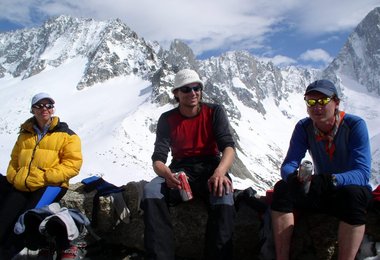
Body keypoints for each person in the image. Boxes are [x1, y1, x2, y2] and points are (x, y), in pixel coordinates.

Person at [271, 80, 372, 260]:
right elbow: (289, 164)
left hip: (344, 189)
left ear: (336, 103)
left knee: (354, 195)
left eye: (323, 101)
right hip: (320, 188)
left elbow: (362, 173)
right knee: (282, 189)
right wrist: (292, 178)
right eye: (311, 102)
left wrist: (331, 180)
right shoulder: (304, 127)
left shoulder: (355, 125)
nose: (316, 107)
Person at [142, 69, 236, 260]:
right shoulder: (167, 119)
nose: (193, 93)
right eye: (186, 89)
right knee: (152, 190)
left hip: (211, 168)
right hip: (181, 170)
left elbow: (228, 147)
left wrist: (220, 173)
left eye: (197, 88)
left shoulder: (214, 111)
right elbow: (158, 158)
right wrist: (167, 175)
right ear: (176, 93)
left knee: (224, 193)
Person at [0, 92, 83, 259]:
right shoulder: (25, 135)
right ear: (33, 110)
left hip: (50, 186)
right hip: (23, 185)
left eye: (48, 105)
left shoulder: (67, 135)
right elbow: (14, 161)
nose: (44, 109)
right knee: (4, 219)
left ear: (53, 110)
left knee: (25, 221)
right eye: (39, 105)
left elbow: (73, 165)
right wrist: (15, 178)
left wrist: (45, 177)